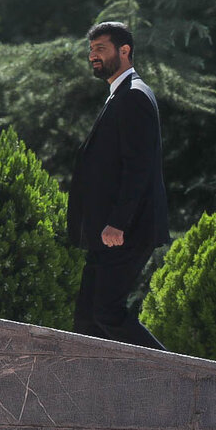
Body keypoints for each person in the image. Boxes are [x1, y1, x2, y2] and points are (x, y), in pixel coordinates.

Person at [66, 21, 169, 349]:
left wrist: (117, 223)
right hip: (107, 233)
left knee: (107, 312)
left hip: (124, 231)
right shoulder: (121, 95)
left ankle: (174, 375)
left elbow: (138, 169)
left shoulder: (134, 97)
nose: (93, 56)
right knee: (87, 318)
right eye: (91, 50)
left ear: (124, 51)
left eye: (101, 49)